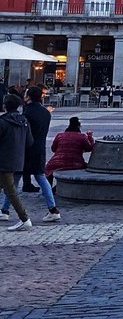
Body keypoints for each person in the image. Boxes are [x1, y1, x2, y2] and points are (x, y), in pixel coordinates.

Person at [12, 87, 59, 223]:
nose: (24, 96)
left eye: (26, 94)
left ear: (29, 97)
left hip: (26, 150)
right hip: (39, 150)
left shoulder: (27, 112)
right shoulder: (46, 112)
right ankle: (53, 209)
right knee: (41, 178)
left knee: (14, 180)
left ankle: (4, 210)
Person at [0, 94, 32, 231]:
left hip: (3, 161)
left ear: (5, 106)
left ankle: (24, 218)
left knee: (11, 191)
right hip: (17, 159)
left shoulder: (2, 122)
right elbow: (30, 141)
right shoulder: (24, 121)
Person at [44, 117, 94, 183]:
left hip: (56, 162)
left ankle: (48, 189)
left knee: (48, 169)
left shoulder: (60, 135)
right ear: (79, 126)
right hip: (75, 163)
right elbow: (89, 148)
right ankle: (59, 188)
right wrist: (90, 137)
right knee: (88, 169)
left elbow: (53, 149)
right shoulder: (82, 136)